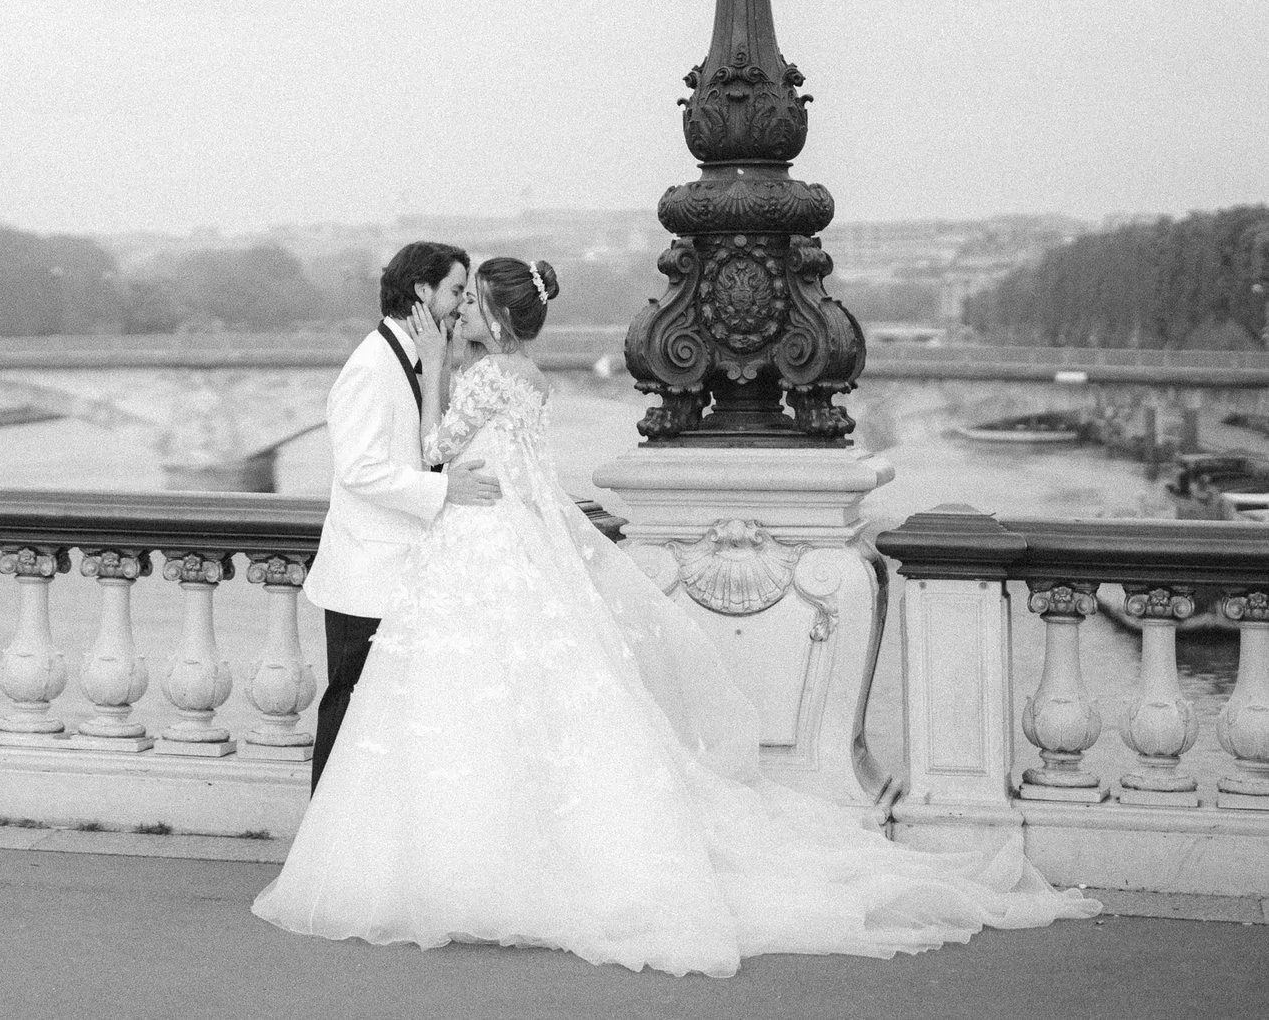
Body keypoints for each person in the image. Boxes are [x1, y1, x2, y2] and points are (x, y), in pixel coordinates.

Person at [256, 256, 1097, 976]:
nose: (461, 310)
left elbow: (436, 447)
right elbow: (527, 481)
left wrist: (441, 363)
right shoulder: (535, 380)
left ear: (497, 316)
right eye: (457, 299)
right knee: (524, 708)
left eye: (471, 301)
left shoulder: (479, 375)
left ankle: (450, 864)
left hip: (472, 546)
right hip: (504, 542)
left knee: (453, 710)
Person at [301, 241, 500, 792]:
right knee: (347, 710)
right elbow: (360, 471)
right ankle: (326, 837)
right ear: (422, 292)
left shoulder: (406, 359)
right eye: (457, 291)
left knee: (379, 719)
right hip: (365, 575)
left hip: (394, 569)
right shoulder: (370, 367)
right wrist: (443, 490)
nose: (462, 305)